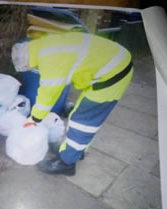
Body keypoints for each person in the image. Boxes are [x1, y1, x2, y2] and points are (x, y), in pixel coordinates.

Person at [11, 31, 133, 176]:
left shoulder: (50, 61)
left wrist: (34, 118)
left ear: (27, 62)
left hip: (112, 73)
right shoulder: (42, 45)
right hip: (111, 64)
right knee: (78, 114)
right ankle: (75, 151)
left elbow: (47, 96)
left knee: (83, 122)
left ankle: (67, 163)